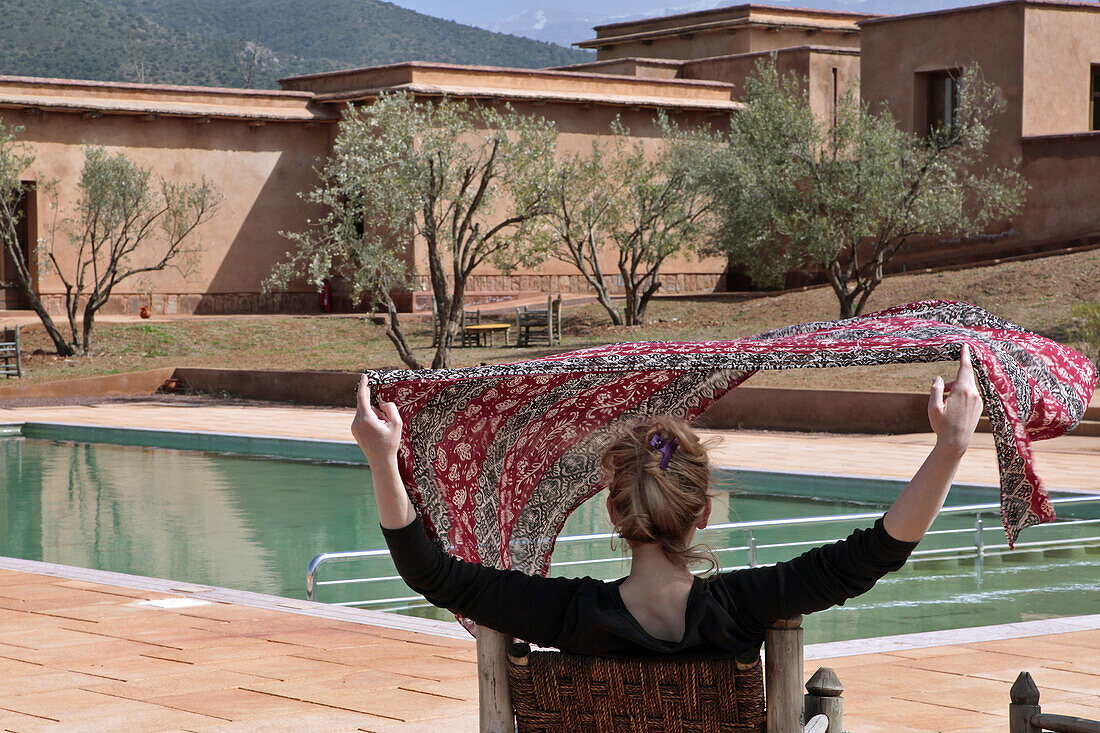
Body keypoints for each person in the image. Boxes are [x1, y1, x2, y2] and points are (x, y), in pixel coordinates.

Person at [351, 346, 984, 659]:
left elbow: (431, 574)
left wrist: (384, 458)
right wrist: (951, 446)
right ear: (703, 512)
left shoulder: (567, 615)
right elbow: (872, 554)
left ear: (613, 513)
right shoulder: (743, 608)